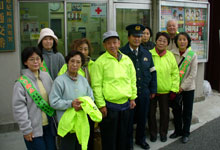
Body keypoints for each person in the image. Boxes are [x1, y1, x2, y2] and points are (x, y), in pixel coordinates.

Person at [90, 31, 137, 150]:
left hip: (126, 105)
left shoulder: (127, 60)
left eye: (115, 42)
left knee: (124, 136)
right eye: (109, 43)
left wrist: (132, 97)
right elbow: (96, 86)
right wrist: (101, 105)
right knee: (109, 138)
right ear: (104, 45)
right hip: (110, 107)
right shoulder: (100, 62)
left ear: (119, 43)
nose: (112, 46)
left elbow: (132, 80)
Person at [120, 24, 157, 150]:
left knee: (142, 118)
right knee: (129, 121)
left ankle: (141, 139)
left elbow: (153, 72)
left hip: (144, 92)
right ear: (129, 37)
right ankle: (128, 143)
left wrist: (153, 89)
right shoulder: (122, 53)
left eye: (139, 36)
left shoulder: (147, 53)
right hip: (129, 94)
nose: (137, 39)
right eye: (134, 36)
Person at [12, 47, 56, 150]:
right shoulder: (21, 83)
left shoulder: (46, 76)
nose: (35, 62)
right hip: (33, 129)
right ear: (25, 62)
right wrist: (26, 129)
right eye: (31, 59)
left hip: (49, 126)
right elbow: (19, 109)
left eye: (38, 59)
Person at [49, 51, 94, 150]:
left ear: (81, 64)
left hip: (81, 123)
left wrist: (84, 104)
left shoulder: (83, 80)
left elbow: (91, 97)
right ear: (67, 63)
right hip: (67, 124)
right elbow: (53, 102)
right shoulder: (59, 81)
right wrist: (70, 104)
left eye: (78, 62)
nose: (75, 64)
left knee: (80, 147)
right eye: (72, 61)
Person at [148, 32, 179, 143]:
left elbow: (175, 73)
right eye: (159, 40)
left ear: (167, 44)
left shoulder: (170, 56)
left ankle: (163, 133)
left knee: (165, 113)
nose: (161, 43)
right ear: (155, 41)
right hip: (152, 90)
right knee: (150, 113)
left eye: (164, 41)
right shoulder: (149, 54)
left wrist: (174, 89)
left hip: (165, 90)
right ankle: (153, 134)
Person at [169, 32, 198, 144]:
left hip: (188, 89)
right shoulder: (171, 54)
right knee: (176, 110)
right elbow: (170, 71)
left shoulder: (192, 55)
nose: (182, 41)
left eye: (184, 39)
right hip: (175, 88)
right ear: (176, 41)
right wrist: (175, 86)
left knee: (187, 111)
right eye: (180, 39)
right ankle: (178, 130)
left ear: (188, 41)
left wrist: (182, 87)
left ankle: (186, 133)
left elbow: (193, 74)